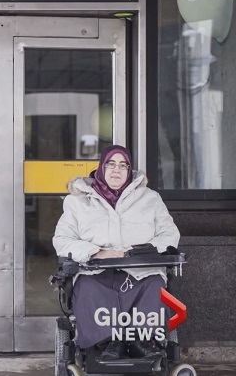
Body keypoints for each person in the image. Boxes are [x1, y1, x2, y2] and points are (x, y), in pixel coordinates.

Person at [52, 145, 179, 361]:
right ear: (101, 167)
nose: (116, 170)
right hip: (96, 271)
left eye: (123, 165)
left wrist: (140, 252)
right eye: (111, 164)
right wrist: (97, 252)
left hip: (140, 270)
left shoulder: (150, 198)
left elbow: (169, 234)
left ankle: (142, 340)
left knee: (154, 284)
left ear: (129, 170)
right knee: (88, 286)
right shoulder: (77, 202)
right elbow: (62, 240)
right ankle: (108, 342)